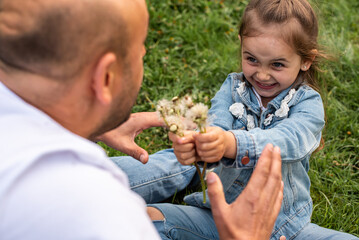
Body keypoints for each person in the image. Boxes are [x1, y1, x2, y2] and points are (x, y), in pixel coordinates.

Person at [0, 0, 284, 239]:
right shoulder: (99, 216)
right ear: (105, 78)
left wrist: (90, 123)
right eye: (139, 48)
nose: (145, 53)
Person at [112, 0, 359, 239]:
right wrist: (197, 145)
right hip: (219, 217)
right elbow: (216, 126)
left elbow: (289, 140)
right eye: (252, 59)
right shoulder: (233, 87)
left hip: (285, 227)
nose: (262, 74)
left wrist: (230, 143)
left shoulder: (308, 103)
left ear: (306, 60)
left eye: (277, 64)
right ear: (241, 45)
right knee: (144, 219)